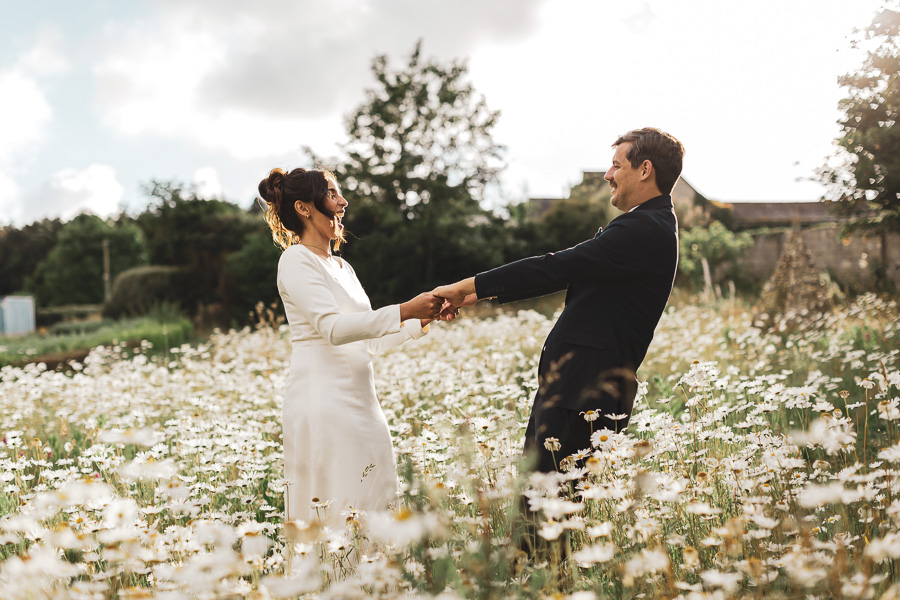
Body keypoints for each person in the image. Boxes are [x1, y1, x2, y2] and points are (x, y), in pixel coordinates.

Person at [435, 127, 684, 473]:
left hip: (582, 396)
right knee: (541, 510)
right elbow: (571, 273)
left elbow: (557, 266)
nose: (608, 175)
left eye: (616, 166)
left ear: (644, 169)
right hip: (575, 392)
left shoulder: (644, 228)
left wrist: (467, 285)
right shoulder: (650, 224)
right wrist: (480, 293)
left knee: (544, 514)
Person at [258, 167, 442, 528]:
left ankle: (374, 583)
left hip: (363, 401)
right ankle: (333, 581)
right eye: (331, 194)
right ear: (304, 208)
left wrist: (425, 316)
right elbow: (333, 329)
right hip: (323, 401)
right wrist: (406, 308)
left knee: (374, 495)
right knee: (338, 505)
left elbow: (369, 339)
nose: (343, 202)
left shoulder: (344, 267)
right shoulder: (295, 260)